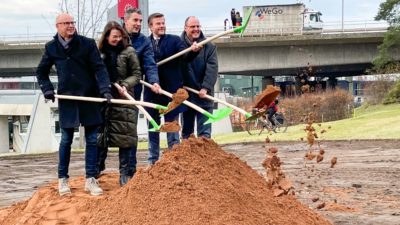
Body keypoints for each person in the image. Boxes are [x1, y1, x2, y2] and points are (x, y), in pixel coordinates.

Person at [36, 13, 112, 196]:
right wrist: (47, 90)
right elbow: (41, 72)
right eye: (66, 23)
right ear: (58, 26)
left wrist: (105, 89)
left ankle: (90, 179)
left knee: (92, 140)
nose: (71, 26)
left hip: (89, 98)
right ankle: (63, 179)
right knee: (66, 140)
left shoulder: (87, 44)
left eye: (72, 22)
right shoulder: (52, 47)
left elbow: (99, 68)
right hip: (67, 100)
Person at [146, 12, 200, 165]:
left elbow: (185, 56)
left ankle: (175, 160)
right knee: (153, 127)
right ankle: (153, 161)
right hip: (152, 92)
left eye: (163, 23)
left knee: (172, 127)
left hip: (171, 93)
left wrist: (193, 51)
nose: (162, 25)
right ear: (151, 26)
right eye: (158, 23)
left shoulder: (174, 41)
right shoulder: (146, 43)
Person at [97, 21, 141, 186]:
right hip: (105, 99)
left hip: (123, 99)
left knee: (125, 138)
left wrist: (126, 84)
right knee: (101, 137)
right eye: (114, 36)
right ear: (107, 36)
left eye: (120, 36)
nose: (117, 39)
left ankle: (124, 174)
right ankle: (96, 170)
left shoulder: (129, 51)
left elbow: (137, 74)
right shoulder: (99, 53)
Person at [181, 16, 218, 139]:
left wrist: (205, 87)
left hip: (204, 97)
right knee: (187, 135)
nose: (196, 29)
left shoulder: (209, 46)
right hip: (186, 96)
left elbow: (212, 68)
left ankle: (205, 158)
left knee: (205, 136)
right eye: (192, 27)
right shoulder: (178, 45)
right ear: (185, 28)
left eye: (198, 26)